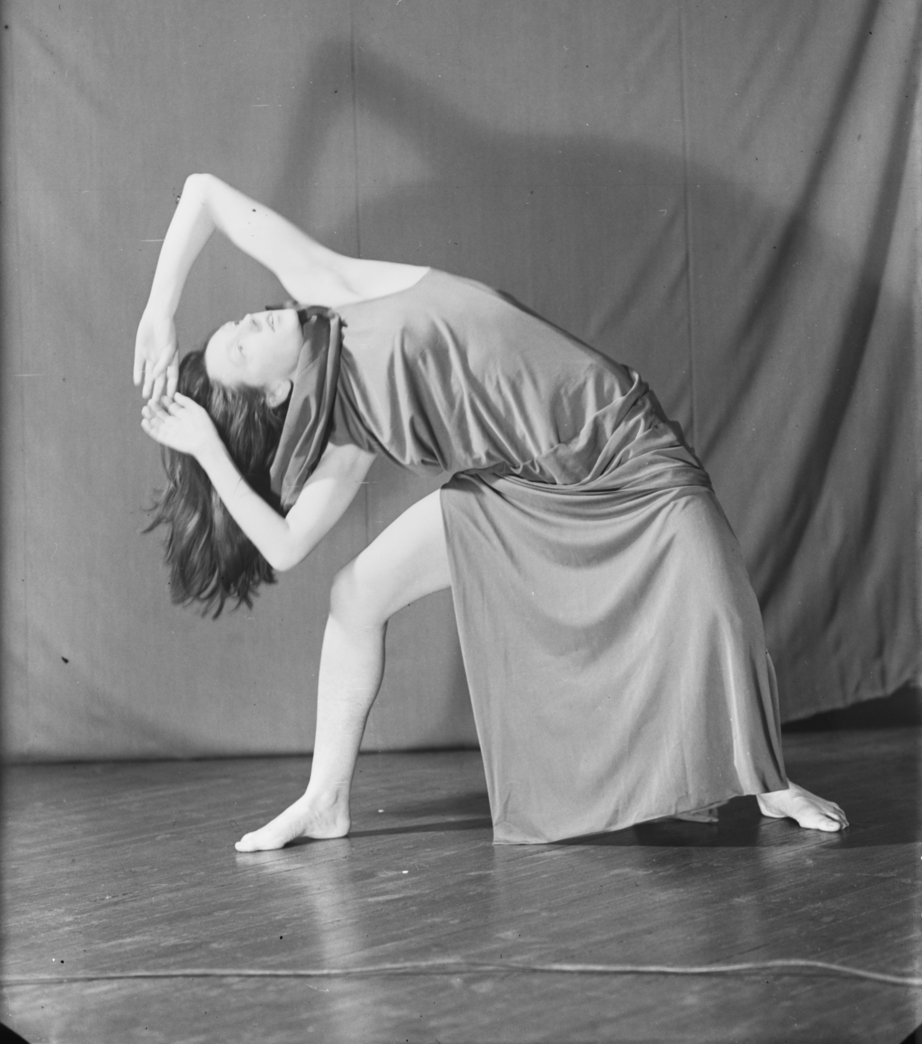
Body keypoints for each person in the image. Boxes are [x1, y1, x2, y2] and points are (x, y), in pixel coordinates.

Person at [135, 173, 848, 851]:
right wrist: (208, 450)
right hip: (524, 489)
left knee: (717, 593)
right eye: (241, 348)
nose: (249, 322)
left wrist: (160, 314)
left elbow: (203, 194)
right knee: (354, 595)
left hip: (616, 441)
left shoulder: (336, 287)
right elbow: (286, 546)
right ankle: (325, 800)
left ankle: (769, 782)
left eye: (237, 325)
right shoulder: (345, 437)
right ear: (271, 394)